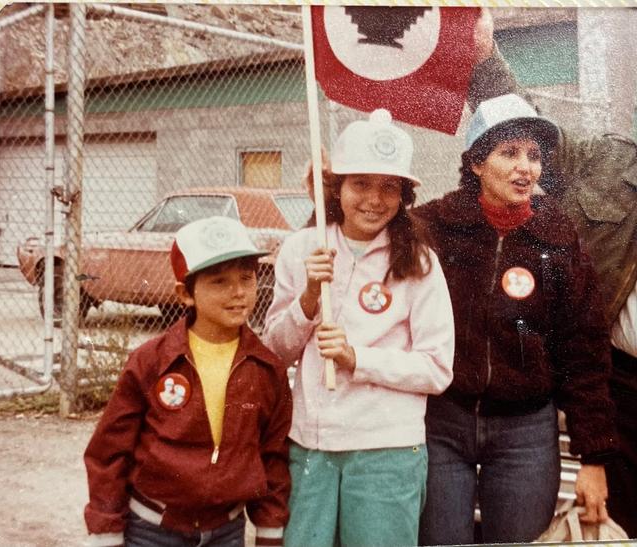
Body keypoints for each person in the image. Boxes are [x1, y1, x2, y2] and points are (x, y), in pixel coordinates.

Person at [412, 93, 617, 544]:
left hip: (525, 431)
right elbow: (364, 229)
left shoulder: (559, 240)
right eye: (509, 153)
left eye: (534, 156)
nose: (526, 167)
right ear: (477, 164)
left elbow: (584, 351)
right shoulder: (433, 227)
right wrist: (327, 197)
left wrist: (594, 457)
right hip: (443, 423)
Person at [468, 33, 637, 539]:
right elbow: (529, 136)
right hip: (623, 386)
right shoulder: (610, 165)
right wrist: (482, 56)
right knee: (619, 523)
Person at [262, 109, 455, 547]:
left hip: (386, 448)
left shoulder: (419, 262)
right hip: (310, 445)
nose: (374, 199)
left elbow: (437, 368)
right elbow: (276, 352)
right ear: (338, 187)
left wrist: (357, 358)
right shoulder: (301, 249)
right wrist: (308, 300)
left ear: (404, 196)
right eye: (361, 183)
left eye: (390, 187)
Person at [83, 216, 292, 547]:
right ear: (185, 294)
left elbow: (273, 456)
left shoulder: (267, 369)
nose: (238, 292)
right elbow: (109, 452)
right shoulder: (151, 361)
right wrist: (106, 530)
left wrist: (269, 530)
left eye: (246, 278)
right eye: (219, 282)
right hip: (152, 528)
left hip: (226, 530)